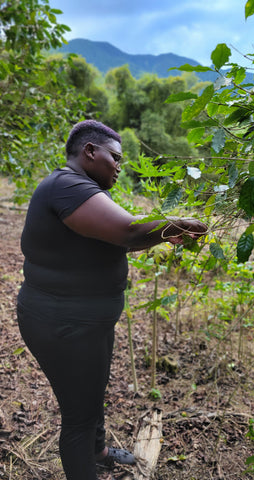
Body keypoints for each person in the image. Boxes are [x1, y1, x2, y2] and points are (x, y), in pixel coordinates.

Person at [16, 120, 207, 480]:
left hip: (83, 321)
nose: (120, 167)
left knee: (93, 389)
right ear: (90, 152)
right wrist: (176, 225)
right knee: (79, 417)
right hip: (62, 324)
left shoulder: (81, 189)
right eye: (115, 158)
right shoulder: (67, 186)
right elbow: (127, 231)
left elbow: (115, 238)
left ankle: (99, 451)